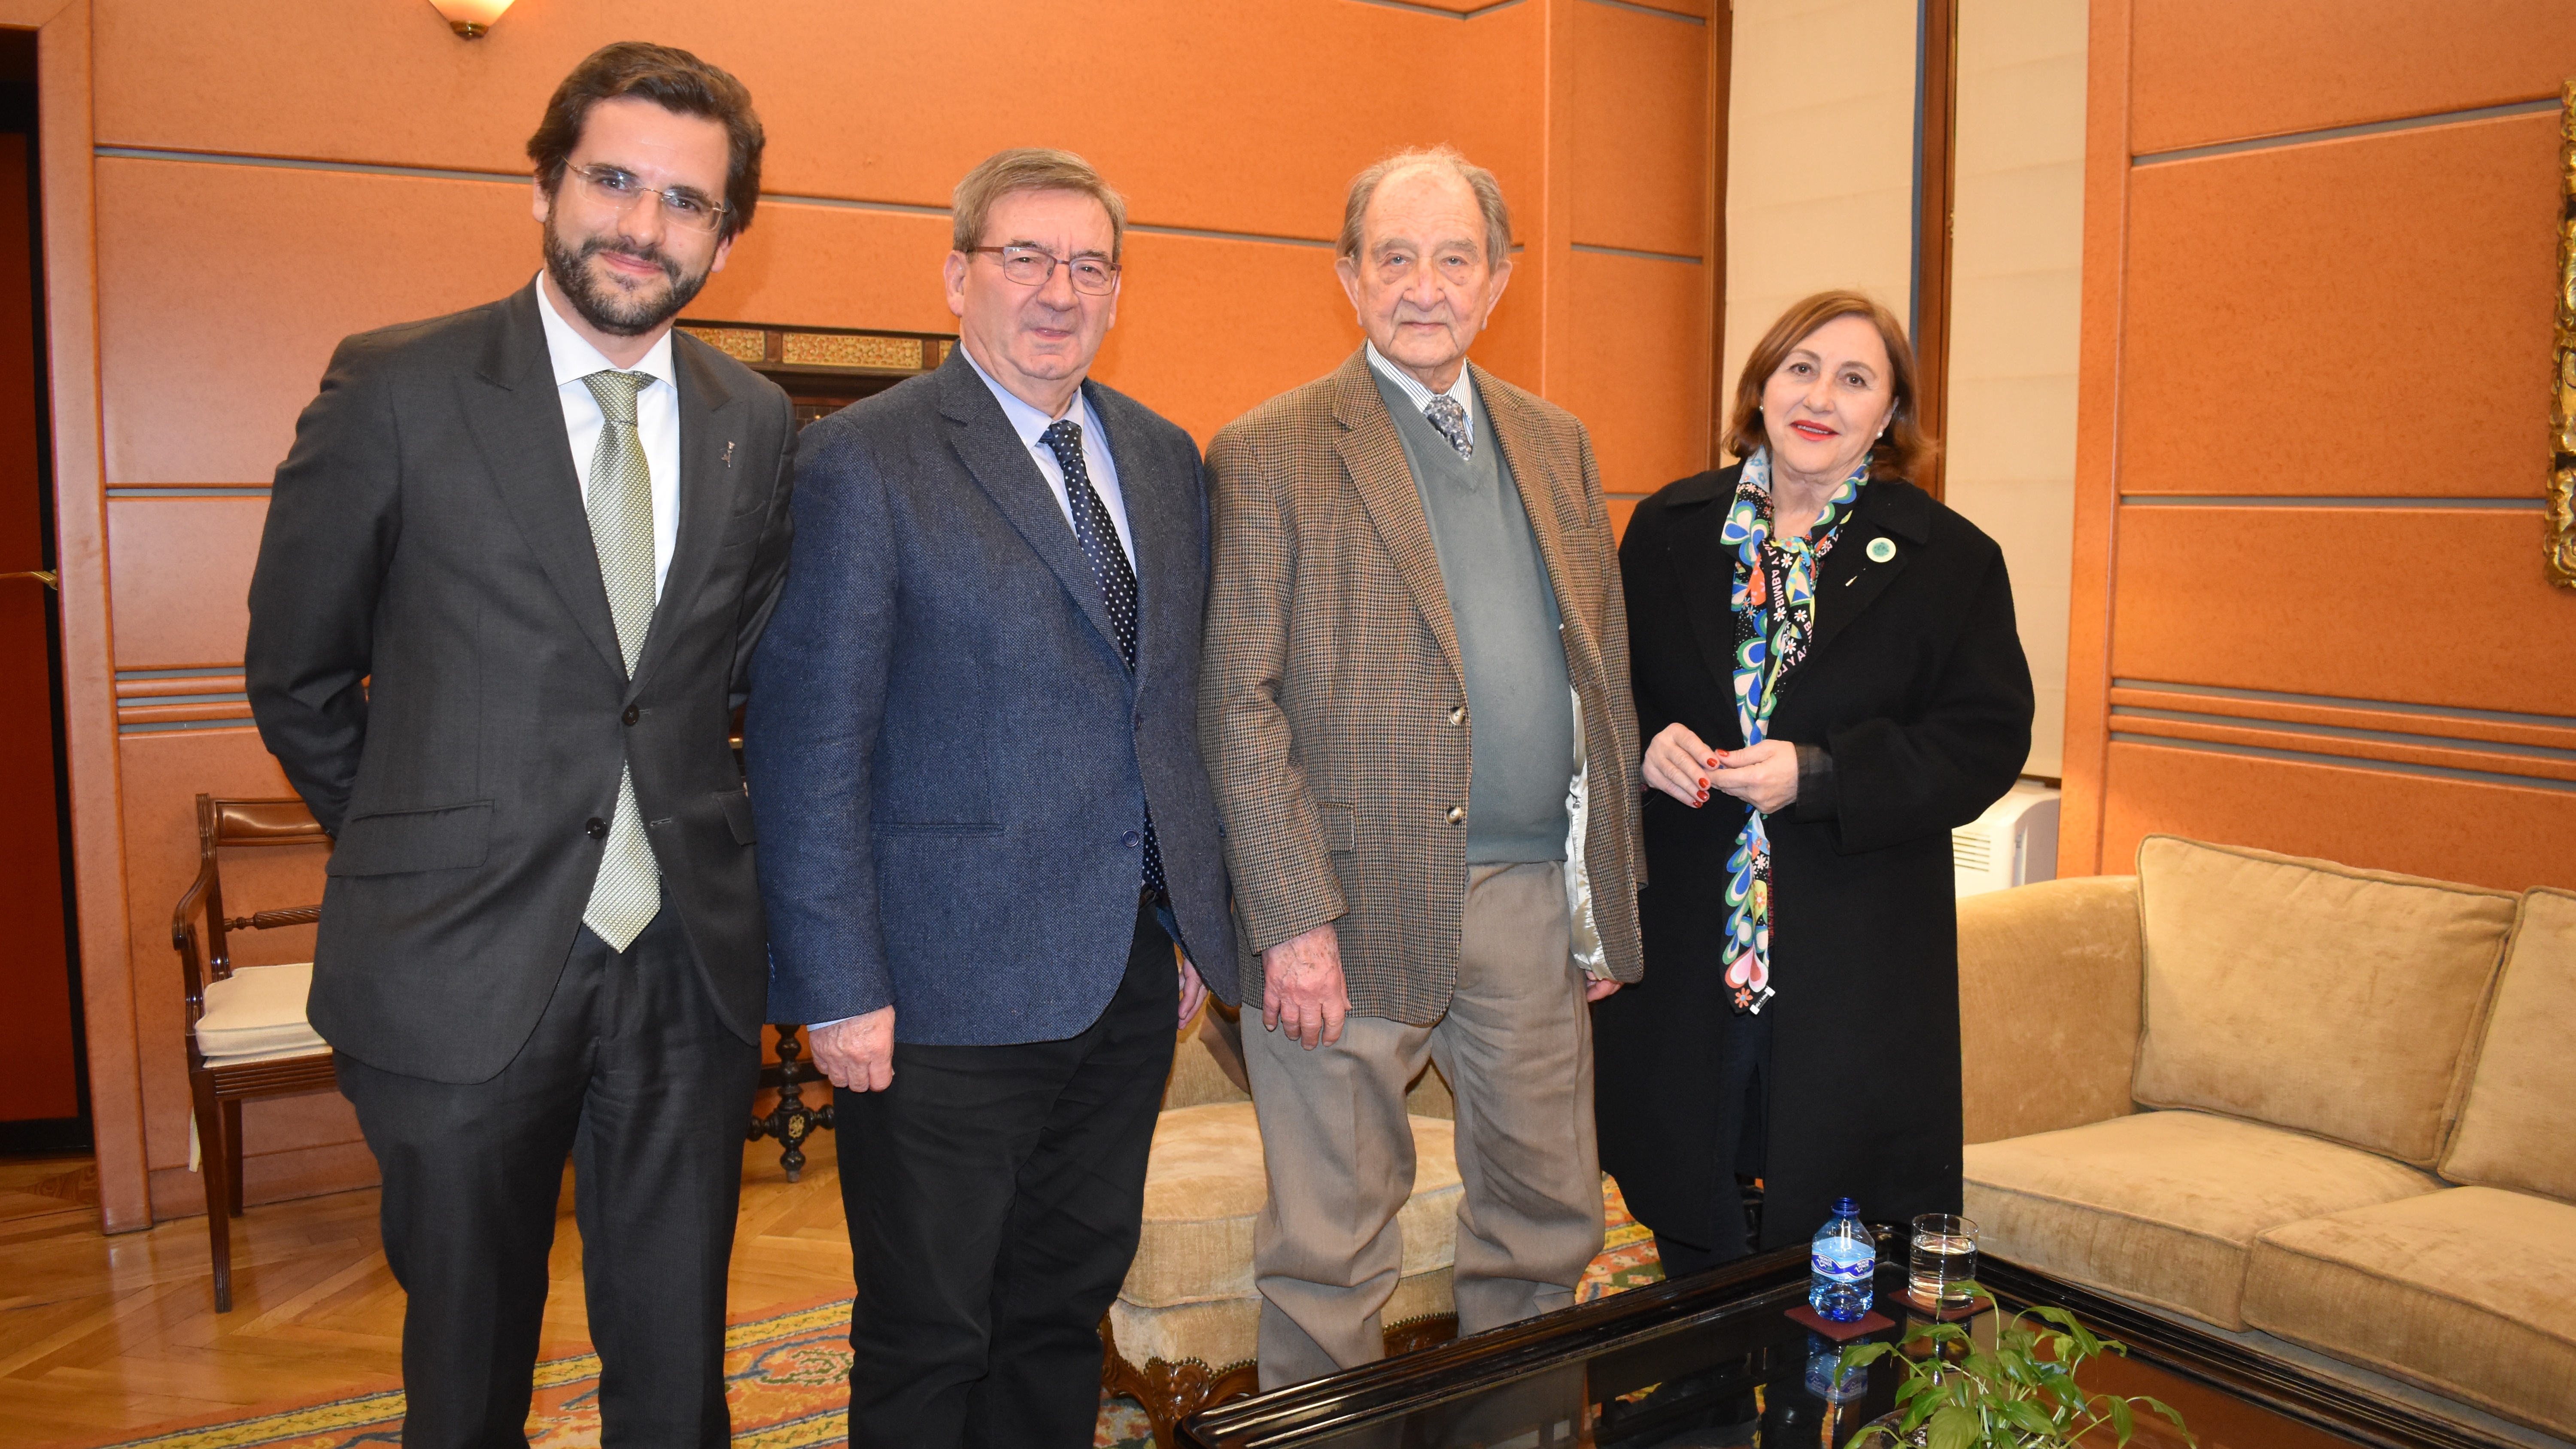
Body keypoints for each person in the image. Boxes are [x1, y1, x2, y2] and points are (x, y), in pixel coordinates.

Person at [243, 42, 793, 1447]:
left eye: (685, 201)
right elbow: (296, 670)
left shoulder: (756, 423)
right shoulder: (398, 389)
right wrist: (420, 847)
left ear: (726, 238)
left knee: (676, 1364)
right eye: (613, 180)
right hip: (458, 965)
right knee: (468, 1365)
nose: (641, 225)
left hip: (684, 964)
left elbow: (714, 678)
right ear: (545, 184)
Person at [744, 147, 1236, 1449]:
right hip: (938, 991)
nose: (1057, 291)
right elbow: (811, 747)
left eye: (1087, 264)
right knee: (930, 1329)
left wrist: (1182, 919)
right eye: (1024, 257)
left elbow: (1170, 711)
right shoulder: (865, 460)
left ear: (1118, 291)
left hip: (1124, 981)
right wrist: (837, 985)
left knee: (1057, 1311)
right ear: (958, 276)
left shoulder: (1162, 456)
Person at [1199, 145, 1645, 1389]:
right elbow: (1237, 704)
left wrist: (1596, 904)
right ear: (1348, 278)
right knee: (1330, 1245)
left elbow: (1596, 678)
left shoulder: (1557, 445)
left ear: (1499, 279)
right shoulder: (1270, 450)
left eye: (1456, 258)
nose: (1425, 285)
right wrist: (1291, 919)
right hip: (1343, 910)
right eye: (1394, 258)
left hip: (1522, 903)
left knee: (1547, 1217)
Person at [1594, 290, 2034, 1278]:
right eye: (1801, 368)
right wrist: (1639, 744)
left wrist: (1824, 773)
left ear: (1889, 417)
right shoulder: (1668, 527)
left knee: (1841, 1248)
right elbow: (1596, 691)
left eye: (1855, 378)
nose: (1820, 397)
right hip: (1684, 956)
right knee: (1686, 1210)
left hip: (1853, 961)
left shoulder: (1950, 559)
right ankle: (1687, 1413)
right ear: (1760, 388)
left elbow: (1985, 739)